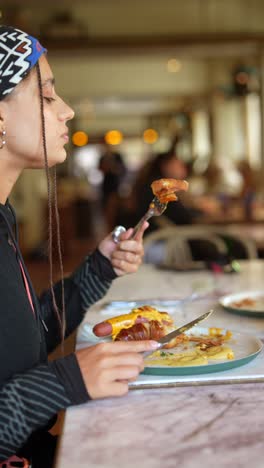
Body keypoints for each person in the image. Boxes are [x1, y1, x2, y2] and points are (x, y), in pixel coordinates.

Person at [0, 26, 160, 467]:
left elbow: (25, 343)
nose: (67, 111)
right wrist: (66, 380)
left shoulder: (3, 215)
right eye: (48, 96)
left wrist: (99, 270)